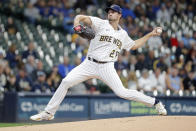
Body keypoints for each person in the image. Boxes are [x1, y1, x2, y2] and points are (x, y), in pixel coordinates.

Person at [30, 4, 167, 121]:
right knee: (66, 82)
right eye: (109, 11)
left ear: (119, 15)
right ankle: (49, 113)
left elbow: (134, 45)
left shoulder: (123, 34)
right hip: (89, 64)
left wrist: (150, 34)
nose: (110, 13)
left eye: (113, 11)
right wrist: (76, 24)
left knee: (122, 92)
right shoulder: (100, 23)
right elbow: (80, 17)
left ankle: (155, 102)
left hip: (107, 67)